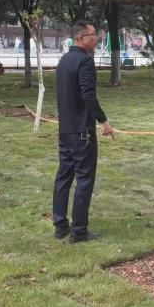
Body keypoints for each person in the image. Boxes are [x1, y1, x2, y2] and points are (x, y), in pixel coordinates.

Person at [52, 20, 114, 243]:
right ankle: (78, 231)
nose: (96, 38)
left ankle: (60, 225)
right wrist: (103, 121)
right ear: (79, 38)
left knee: (64, 176)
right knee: (84, 179)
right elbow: (88, 95)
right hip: (81, 132)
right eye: (92, 35)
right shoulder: (84, 61)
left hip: (66, 130)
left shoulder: (64, 61)